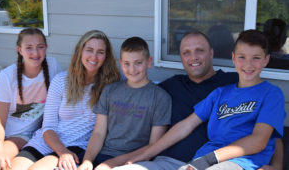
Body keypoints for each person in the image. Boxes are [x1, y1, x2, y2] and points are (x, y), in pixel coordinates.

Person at [114, 31, 284, 170]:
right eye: (242, 57)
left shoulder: (265, 91)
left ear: (266, 60)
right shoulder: (219, 93)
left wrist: (277, 166)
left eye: (256, 58)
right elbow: (185, 125)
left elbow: (268, 136)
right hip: (190, 161)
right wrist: (142, 156)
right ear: (233, 58)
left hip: (231, 162)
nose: (248, 64)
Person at [10, 30, 120, 170]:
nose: (94, 56)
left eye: (100, 52)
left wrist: (65, 153)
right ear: (80, 51)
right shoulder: (61, 81)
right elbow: (48, 126)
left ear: (106, 56)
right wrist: (62, 151)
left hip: (76, 145)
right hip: (46, 141)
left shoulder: (110, 86)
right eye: (89, 50)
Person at [77, 36, 172, 170]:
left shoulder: (160, 97)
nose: (132, 69)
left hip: (133, 161)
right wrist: (87, 160)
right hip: (100, 155)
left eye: (138, 63)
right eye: (127, 63)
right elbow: (98, 132)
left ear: (149, 62)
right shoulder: (110, 90)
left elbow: (154, 145)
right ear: (120, 63)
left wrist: (112, 164)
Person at [0, 28, 62, 170]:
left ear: (46, 48)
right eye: (29, 48)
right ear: (19, 50)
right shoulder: (7, 76)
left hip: (22, 134)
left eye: (40, 47)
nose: (35, 53)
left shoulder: (53, 67)